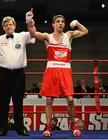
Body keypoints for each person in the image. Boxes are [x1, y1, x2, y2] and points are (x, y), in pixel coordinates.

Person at [26, 9, 88, 137]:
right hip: (51, 70)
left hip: (65, 70)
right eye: (58, 22)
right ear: (53, 24)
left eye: (62, 22)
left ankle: (72, 126)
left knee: (70, 100)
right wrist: (29, 20)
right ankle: (48, 127)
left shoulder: (69, 35)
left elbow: (85, 31)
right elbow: (33, 34)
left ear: (64, 25)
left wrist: (77, 23)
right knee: (49, 100)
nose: (60, 23)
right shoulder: (47, 37)